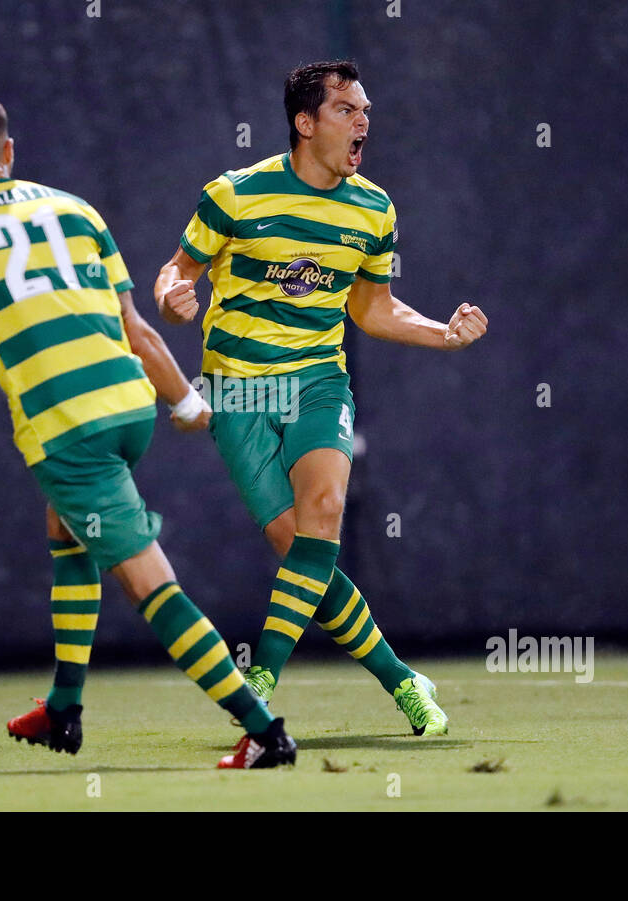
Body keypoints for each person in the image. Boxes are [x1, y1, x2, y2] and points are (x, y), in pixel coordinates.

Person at [0, 86, 294, 769]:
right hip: (130, 408)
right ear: (9, 152)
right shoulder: (75, 209)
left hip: (68, 430)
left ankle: (265, 731)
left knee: (148, 584)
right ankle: (63, 710)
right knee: (67, 531)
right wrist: (184, 402)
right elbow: (135, 327)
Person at [152, 61, 489, 735]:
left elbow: (374, 309)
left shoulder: (373, 208)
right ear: (305, 125)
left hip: (316, 381)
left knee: (325, 511)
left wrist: (443, 335)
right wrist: (171, 297)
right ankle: (402, 677)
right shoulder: (235, 195)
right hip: (236, 392)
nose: (362, 121)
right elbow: (175, 272)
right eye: (345, 111)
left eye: (365, 109)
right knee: (300, 549)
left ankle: (263, 676)